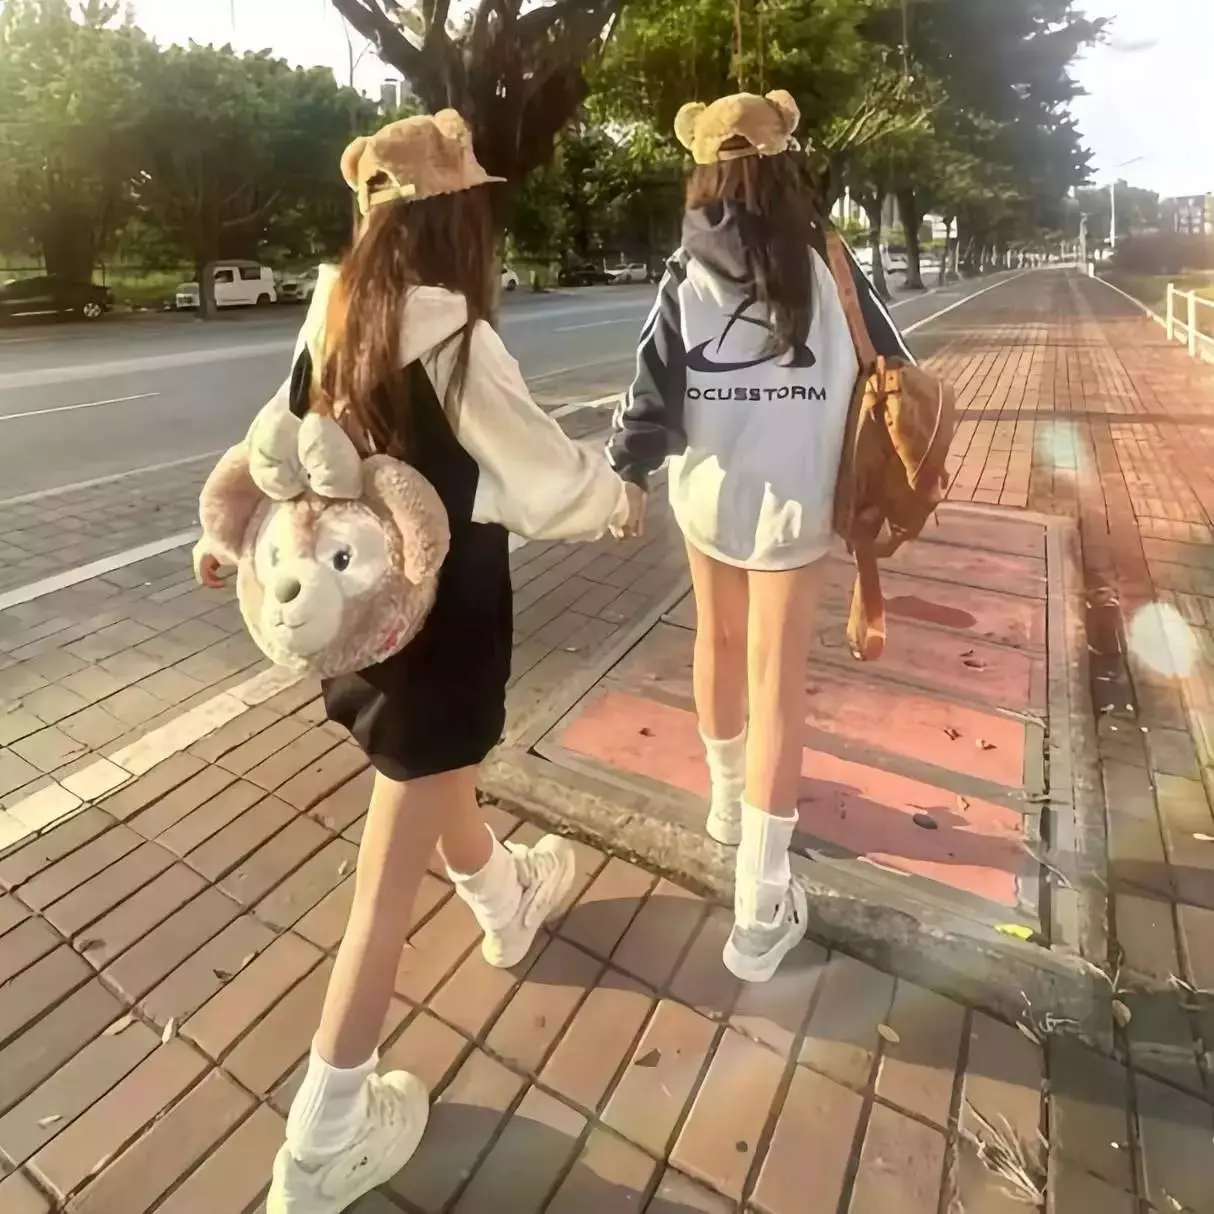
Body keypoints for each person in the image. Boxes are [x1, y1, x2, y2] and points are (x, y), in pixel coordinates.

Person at [195, 110, 629, 1214]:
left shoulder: (331, 313)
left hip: (358, 617)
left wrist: (227, 535)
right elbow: (541, 473)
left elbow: (270, 444)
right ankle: (323, 1140)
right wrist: (617, 499)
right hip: (446, 620)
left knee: (430, 779)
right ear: (456, 221)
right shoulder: (455, 340)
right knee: (385, 885)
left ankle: (505, 899)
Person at [607, 89, 911, 984]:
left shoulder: (683, 268)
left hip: (709, 495)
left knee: (718, 641)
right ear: (786, 163)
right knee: (777, 680)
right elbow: (894, 365)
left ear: (704, 169)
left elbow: (650, 387)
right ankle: (760, 906)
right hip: (798, 503)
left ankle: (727, 806)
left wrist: (627, 472)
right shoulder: (829, 260)